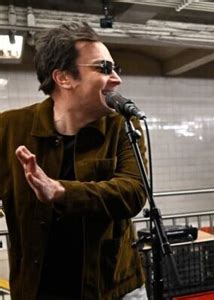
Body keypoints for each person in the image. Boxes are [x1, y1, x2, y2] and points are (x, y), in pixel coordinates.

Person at [0, 23, 148, 299]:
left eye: (117, 69)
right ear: (64, 78)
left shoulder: (123, 126)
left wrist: (61, 192)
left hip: (112, 287)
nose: (116, 79)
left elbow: (134, 192)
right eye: (104, 68)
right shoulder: (8, 128)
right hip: (39, 288)